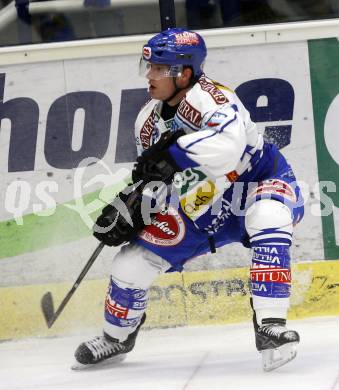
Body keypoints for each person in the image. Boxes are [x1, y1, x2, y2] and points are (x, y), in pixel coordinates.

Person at [73, 27, 304, 372]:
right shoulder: (147, 122)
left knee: (269, 216)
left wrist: (175, 156)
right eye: (147, 66)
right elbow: (157, 180)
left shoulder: (216, 98)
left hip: (255, 184)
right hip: (201, 205)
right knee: (130, 264)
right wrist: (134, 208)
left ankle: (271, 324)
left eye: (158, 69)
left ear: (183, 73)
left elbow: (227, 150)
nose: (149, 75)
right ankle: (116, 338)